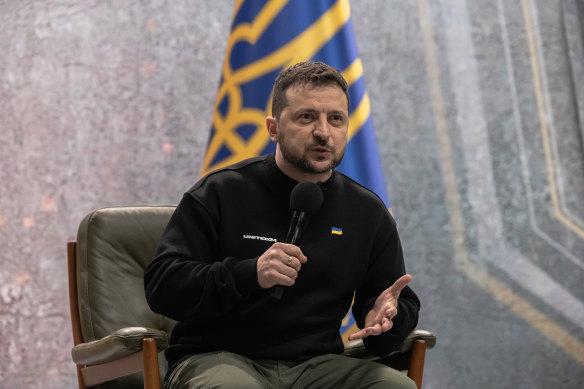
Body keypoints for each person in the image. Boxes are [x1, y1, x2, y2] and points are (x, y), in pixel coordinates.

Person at [144, 61, 420, 389]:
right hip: (219, 357)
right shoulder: (221, 191)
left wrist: (387, 318)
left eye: (336, 119)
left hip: (316, 366)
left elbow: (390, 303)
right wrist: (249, 273)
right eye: (306, 117)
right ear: (273, 129)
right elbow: (163, 285)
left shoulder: (366, 212)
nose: (323, 132)